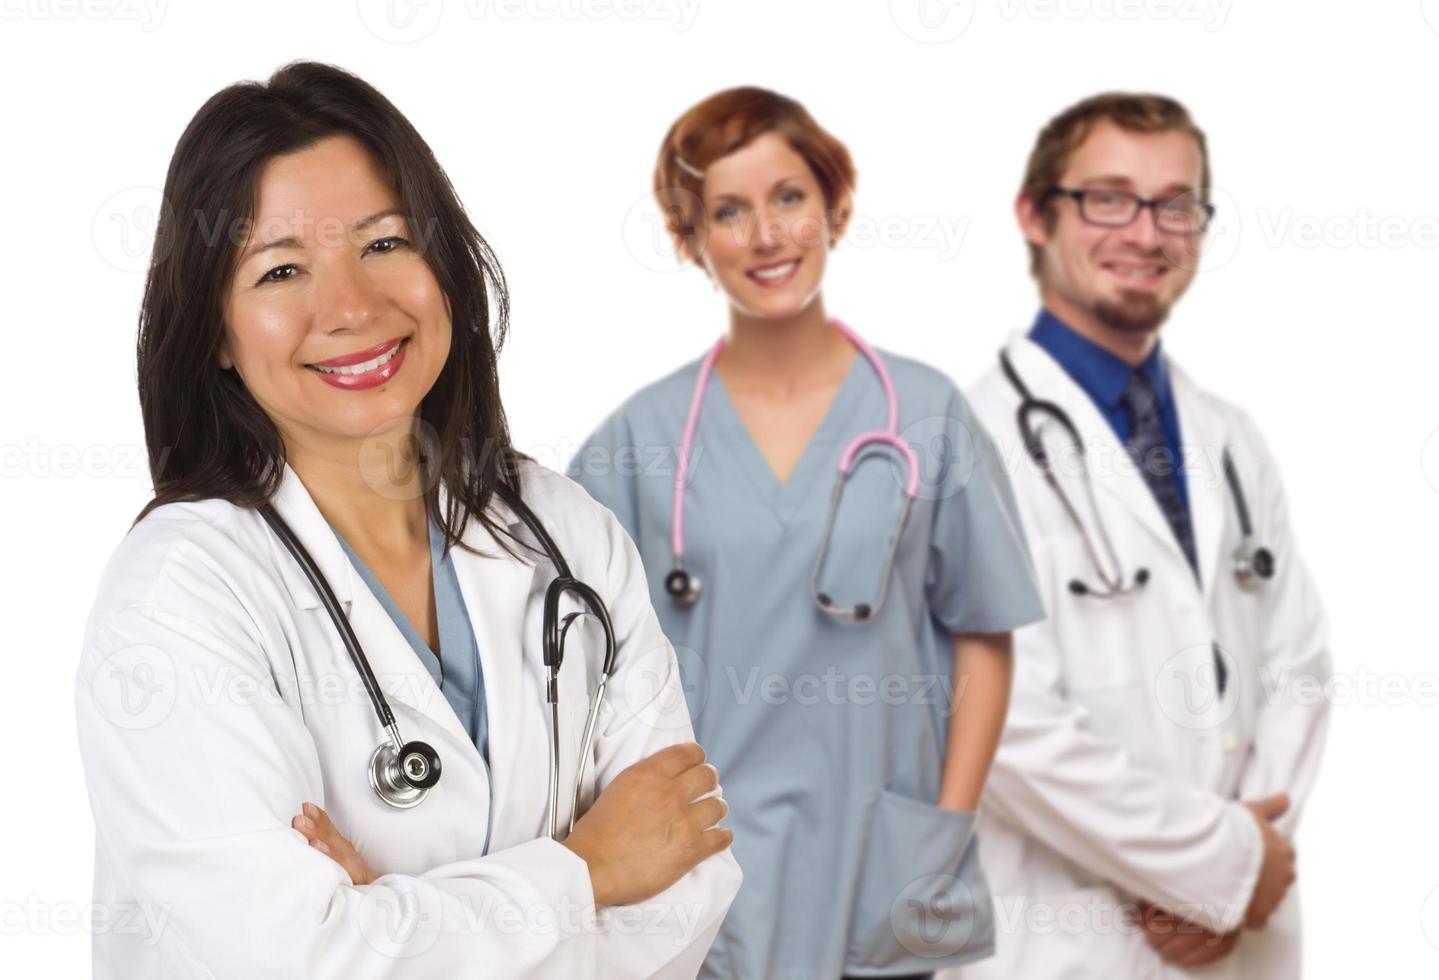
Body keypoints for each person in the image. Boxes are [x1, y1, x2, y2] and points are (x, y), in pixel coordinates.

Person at [73, 61, 740, 980]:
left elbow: (688, 871)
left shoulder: (563, 533)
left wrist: (390, 918)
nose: (350, 307)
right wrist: (589, 869)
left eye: (383, 245)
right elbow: (287, 960)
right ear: (216, 333)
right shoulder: (179, 597)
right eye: (281, 270)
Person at [567, 86, 1045, 979]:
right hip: (707, 857)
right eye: (728, 211)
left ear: (833, 203)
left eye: (789, 197)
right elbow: (565, 661)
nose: (766, 235)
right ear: (690, 239)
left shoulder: (926, 413)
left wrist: (942, 830)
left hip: (881, 854)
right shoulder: (640, 438)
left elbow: (984, 633)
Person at [944, 92, 1331, 979]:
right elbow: (999, 721)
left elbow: (1296, 664)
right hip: (1067, 940)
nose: (1147, 233)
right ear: (1034, 214)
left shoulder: (1230, 438)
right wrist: (1217, 869)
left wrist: (1250, 859)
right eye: (1108, 198)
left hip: (1238, 944)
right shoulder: (961, 447)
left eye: (1176, 204)